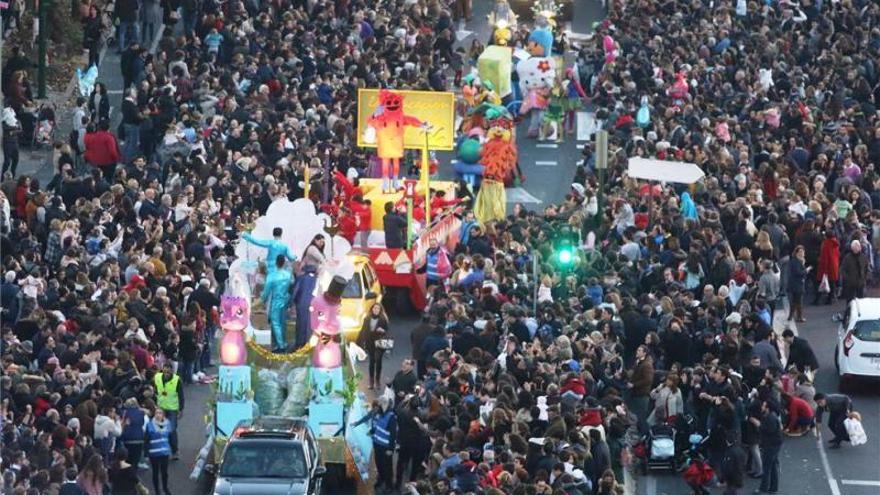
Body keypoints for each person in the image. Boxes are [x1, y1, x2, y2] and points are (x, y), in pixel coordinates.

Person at [749, 399, 782, 494]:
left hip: (771, 445)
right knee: (773, 467)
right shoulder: (771, 416)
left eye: (763, 406)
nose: (761, 407)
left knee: (767, 468)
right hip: (775, 444)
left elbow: (768, 431)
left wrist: (758, 424)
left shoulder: (770, 418)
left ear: (767, 408)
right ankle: (773, 488)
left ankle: (763, 488)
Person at [261, 254, 294, 352]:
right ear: (284, 263)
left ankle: (280, 345)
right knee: (282, 322)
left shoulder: (271, 276)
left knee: (275, 322)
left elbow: (266, 292)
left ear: (276, 263)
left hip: (276, 300)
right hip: (285, 299)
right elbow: (292, 284)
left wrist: (262, 300)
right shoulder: (288, 275)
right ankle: (283, 342)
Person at [153, 363, 184, 460]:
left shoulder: (177, 380)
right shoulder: (157, 377)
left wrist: (181, 409)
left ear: (172, 371)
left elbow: (181, 396)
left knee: (171, 430)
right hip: (160, 408)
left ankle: (175, 451)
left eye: (168, 372)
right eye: (164, 371)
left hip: (172, 409)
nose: (166, 374)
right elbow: (153, 389)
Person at [358, 303, 391, 389]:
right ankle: (371, 381)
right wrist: (360, 342)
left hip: (379, 342)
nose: (376, 310)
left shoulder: (383, 319)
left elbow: (387, 331)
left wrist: (382, 330)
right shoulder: (367, 318)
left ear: (380, 310)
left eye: (378, 309)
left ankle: (377, 380)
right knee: (372, 361)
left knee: (378, 360)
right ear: (372, 309)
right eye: (374, 308)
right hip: (370, 342)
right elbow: (363, 330)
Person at [144, 408, 172, 495]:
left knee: (165, 472)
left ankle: (165, 488)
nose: (158, 415)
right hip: (154, 452)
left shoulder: (168, 424)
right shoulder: (149, 425)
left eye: (160, 413)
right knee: (155, 472)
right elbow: (146, 440)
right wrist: (146, 453)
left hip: (165, 452)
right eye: (156, 413)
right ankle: (157, 491)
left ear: (163, 415)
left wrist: (171, 449)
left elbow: (170, 438)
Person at [787, 245, 807, 323]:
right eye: (800, 252)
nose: (802, 253)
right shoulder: (795, 261)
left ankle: (792, 316)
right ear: (796, 253)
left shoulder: (800, 261)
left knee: (796, 301)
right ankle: (798, 316)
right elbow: (798, 272)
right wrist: (806, 270)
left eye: (803, 252)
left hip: (798, 283)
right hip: (796, 284)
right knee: (798, 301)